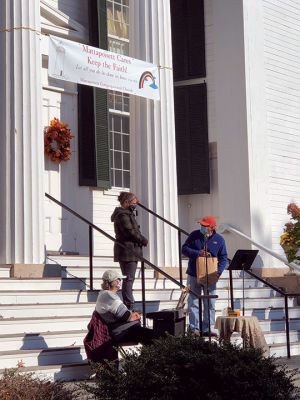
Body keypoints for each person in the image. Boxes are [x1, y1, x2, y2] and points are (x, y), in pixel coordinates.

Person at [182, 215, 228, 336]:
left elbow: (224, 258)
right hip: (193, 273)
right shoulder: (194, 235)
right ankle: (194, 329)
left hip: (211, 275)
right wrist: (198, 253)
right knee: (193, 301)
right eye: (201, 225)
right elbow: (184, 249)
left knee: (210, 302)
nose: (202, 227)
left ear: (212, 227)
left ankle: (207, 328)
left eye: (205, 226)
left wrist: (218, 272)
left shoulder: (219, 239)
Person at [111, 192, 148, 310]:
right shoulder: (123, 215)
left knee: (129, 278)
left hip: (131, 250)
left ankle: (129, 303)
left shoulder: (128, 214)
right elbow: (129, 231)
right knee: (128, 278)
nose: (135, 205)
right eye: (133, 203)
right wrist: (142, 239)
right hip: (127, 250)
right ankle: (129, 304)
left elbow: (133, 230)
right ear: (126, 202)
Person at [95, 270, 153, 345]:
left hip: (117, 329)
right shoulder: (109, 295)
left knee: (148, 334)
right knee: (152, 336)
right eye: (118, 279)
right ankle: (148, 356)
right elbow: (125, 316)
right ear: (112, 282)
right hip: (118, 332)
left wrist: (132, 314)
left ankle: (146, 355)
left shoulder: (105, 294)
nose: (120, 282)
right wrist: (134, 315)